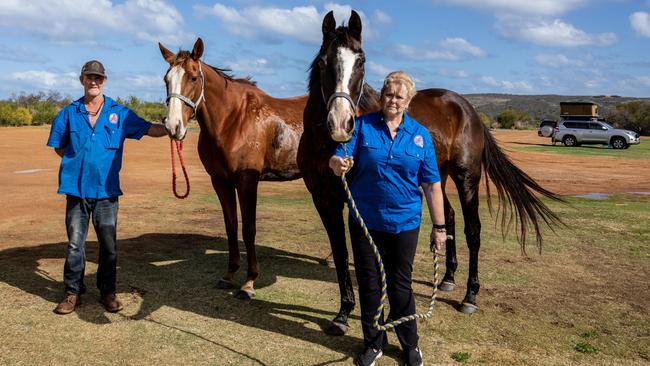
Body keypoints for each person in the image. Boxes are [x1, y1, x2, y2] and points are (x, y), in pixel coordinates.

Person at [329, 71, 446, 366]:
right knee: (369, 284)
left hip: (404, 223)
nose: (392, 100)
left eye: (399, 96)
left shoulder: (420, 136)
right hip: (364, 221)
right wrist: (337, 163)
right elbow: (337, 157)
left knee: (400, 286)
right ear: (382, 96)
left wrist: (440, 228)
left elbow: (432, 185)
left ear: (409, 101)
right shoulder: (363, 126)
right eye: (388, 95)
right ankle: (374, 343)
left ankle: (411, 345)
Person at [47, 60, 168, 315]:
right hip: (76, 191)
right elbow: (59, 146)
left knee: (108, 245)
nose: (94, 82)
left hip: (107, 193)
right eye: (89, 77)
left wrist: (171, 128)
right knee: (74, 245)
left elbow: (148, 129)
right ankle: (72, 293)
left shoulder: (119, 113)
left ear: (104, 81)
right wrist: (79, 161)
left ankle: (107, 292)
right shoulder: (68, 113)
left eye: (98, 78)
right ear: (82, 79)